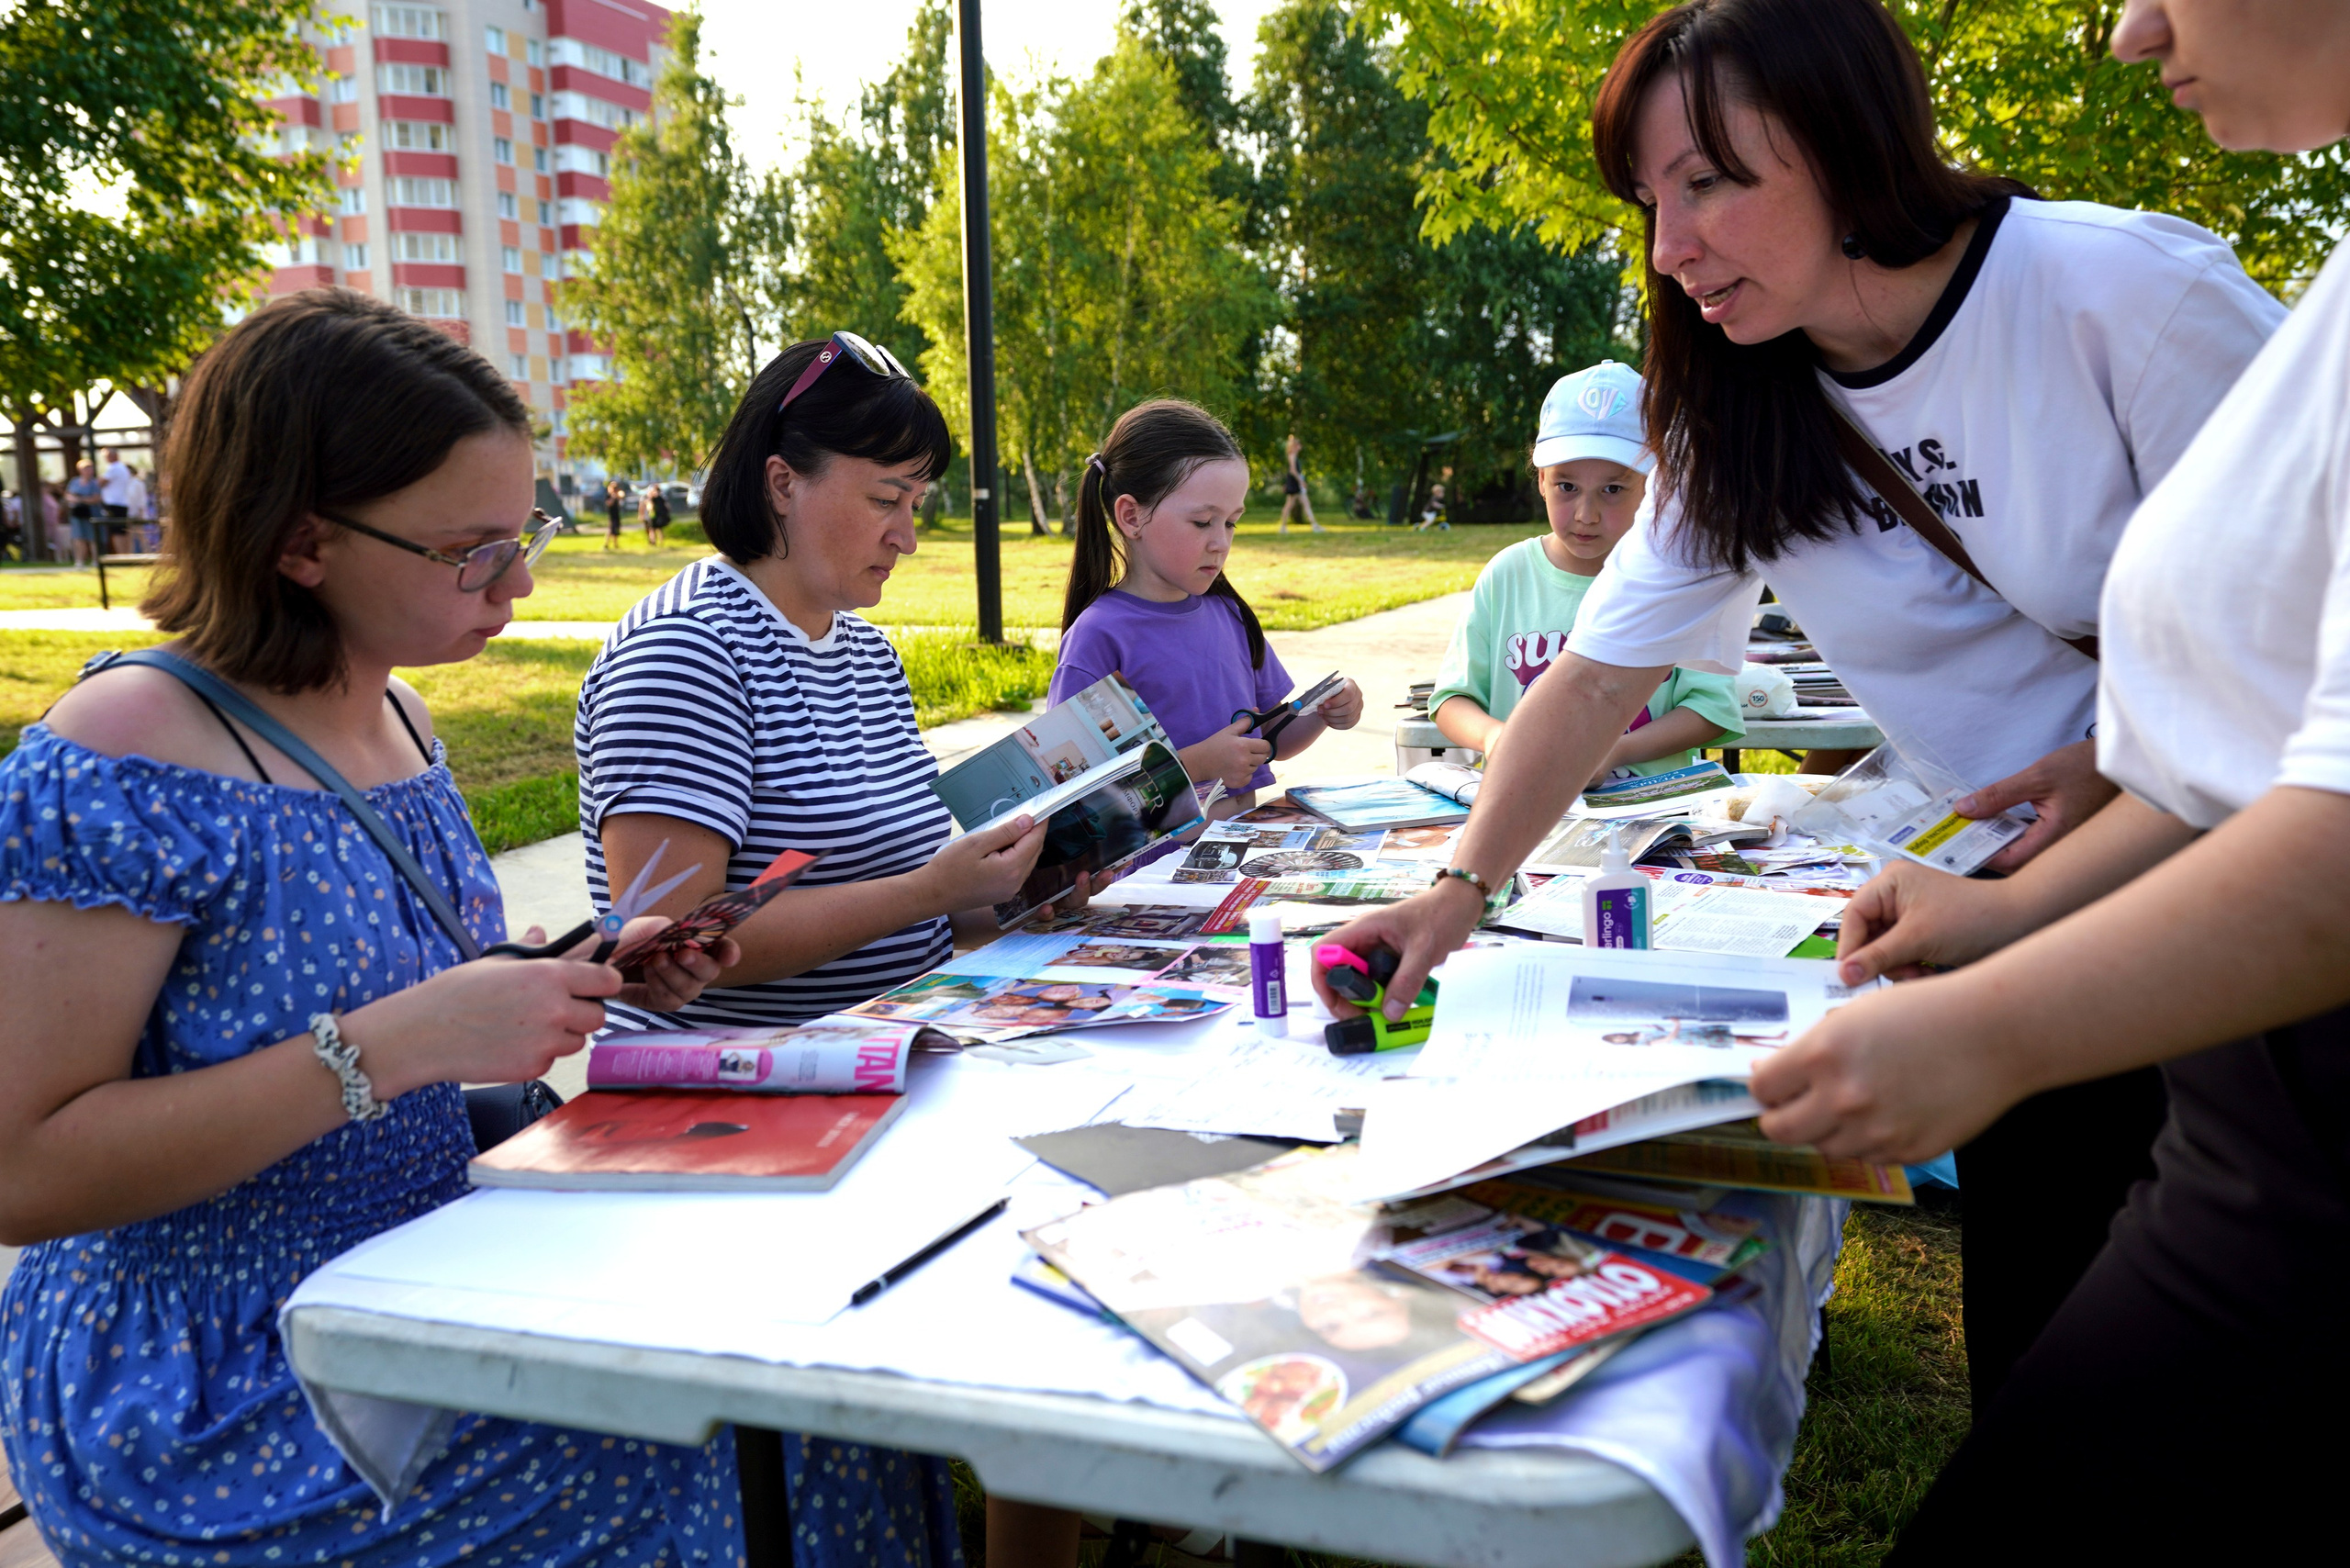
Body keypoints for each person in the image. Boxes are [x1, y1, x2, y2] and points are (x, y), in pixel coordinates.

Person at [1318, 0, 2288, 1415]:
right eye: (1651, 200)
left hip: (2246, 905)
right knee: (2045, 1336)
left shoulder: (2124, 295)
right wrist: (1459, 887)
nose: (1671, 246)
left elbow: (2318, 639)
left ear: (1847, 142)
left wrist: (2116, 760)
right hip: (2006, 915)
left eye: (1709, 181)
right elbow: (1594, 679)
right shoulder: (1731, 407)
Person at [0, 288, 743, 1568]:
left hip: (417, 1276)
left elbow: (419, 994)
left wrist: (579, 977)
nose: (515, 582)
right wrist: (392, 1047)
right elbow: (25, 1172)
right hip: (215, 1372)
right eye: (471, 552)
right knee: (718, 1449)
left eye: (525, 536)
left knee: (786, 1390)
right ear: (302, 545)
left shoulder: (397, 715)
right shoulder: (125, 754)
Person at [1749, 1, 2350, 1554]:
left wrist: (1989, 1027)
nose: (2133, 29)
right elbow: (2230, 755)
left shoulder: (2134, 283)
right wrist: (1996, 916)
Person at [574, 330, 1050, 1568]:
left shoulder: (862, 647)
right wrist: (932, 889)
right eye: (887, 499)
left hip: (872, 1064)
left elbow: (917, 880)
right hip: (727, 1112)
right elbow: (676, 945)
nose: (907, 533)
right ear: (784, 480)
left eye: (922, 505)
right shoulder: (684, 649)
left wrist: (1011, 888)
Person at [1431, 359, 1744, 776]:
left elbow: (1712, 709)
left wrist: (1612, 751)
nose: (1586, 514)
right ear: (1541, 479)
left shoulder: (1677, 579)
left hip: (1651, 814)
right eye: (1567, 487)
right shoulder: (1507, 575)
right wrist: (1495, 738)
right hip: (1527, 810)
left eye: (1612, 489)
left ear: (1657, 485)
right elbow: (1452, 700)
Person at [1053, 399, 1365, 816]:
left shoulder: (1229, 616)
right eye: (1203, 521)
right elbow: (1073, 792)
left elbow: (1271, 740)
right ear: (1131, 516)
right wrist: (1199, 764)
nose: (1221, 541)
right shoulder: (1100, 636)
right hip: (1148, 877)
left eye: (1231, 522)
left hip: (1236, 860)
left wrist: (1324, 712)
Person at [1276, 431, 1324, 533]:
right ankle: (1314, 526)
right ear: (1295, 446)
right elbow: (1293, 471)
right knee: (1292, 505)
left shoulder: (1293, 456)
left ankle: (1313, 525)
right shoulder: (1292, 456)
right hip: (1295, 483)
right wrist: (1301, 481)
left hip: (1294, 483)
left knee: (1300, 504)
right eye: (1298, 444)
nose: (1300, 446)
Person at [64, 457, 101, 566]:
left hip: (91, 513)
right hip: (77, 513)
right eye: (86, 469)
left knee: (93, 537)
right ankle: (79, 560)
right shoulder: (75, 482)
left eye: (90, 468)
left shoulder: (95, 483)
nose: (89, 471)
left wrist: (81, 499)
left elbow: (96, 498)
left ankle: (95, 560)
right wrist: (76, 499)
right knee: (78, 537)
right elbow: (68, 495)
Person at [98, 444, 134, 553]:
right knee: (123, 531)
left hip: (114, 503)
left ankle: (121, 556)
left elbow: (101, 483)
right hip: (122, 502)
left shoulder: (113, 468)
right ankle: (126, 554)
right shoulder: (123, 467)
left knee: (116, 531)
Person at [644, 478, 671, 545]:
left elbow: (649, 507)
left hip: (653, 515)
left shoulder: (651, 499)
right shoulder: (662, 498)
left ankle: (653, 542)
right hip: (660, 515)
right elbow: (668, 506)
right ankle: (661, 542)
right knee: (659, 529)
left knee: (652, 529)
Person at [602, 476, 624, 549]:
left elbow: (622, 498)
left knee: (616, 530)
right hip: (611, 515)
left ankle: (615, 544)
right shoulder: (608, 496)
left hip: (616, 514)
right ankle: (606, 544)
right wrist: (613, 497)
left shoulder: (617, 495)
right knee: (610, 530)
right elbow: (608, 503)